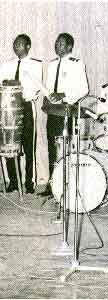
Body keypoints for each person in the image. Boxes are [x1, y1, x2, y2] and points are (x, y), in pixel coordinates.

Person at [38, 32, 89, 196]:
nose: (57, 45)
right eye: (56, 43)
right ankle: (52, 184)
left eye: (61, 43)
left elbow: (83, 89)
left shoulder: (77, 63)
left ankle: (66, 185)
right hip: (53, 112)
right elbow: (48, 88)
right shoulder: (52, 64)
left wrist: (63, 95)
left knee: (66, 148)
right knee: (52, 148)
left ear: (69, 46)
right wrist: (46, 98)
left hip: (67, 111)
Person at [0, 34, 42, 194]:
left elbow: (35, 86)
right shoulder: (7, 65)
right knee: (9, 143)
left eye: (19, 44)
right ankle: (13, 181)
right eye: (14, 44)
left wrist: (17, 85)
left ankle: (29, 182)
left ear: (28, 46)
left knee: (28, 144)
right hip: (9, 108)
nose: (16, 47)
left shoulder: (35, 65)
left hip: (25, 105)